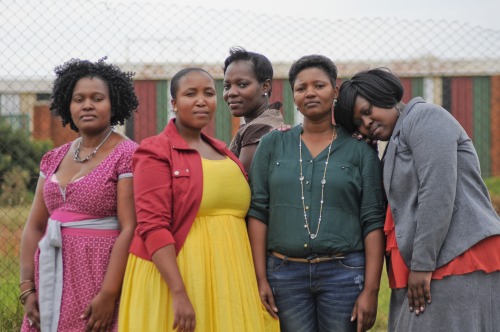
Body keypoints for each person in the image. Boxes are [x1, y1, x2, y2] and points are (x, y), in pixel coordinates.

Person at [334, 68, 500, 331]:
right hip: (429, 262)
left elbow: (437, 191)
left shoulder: (425, 118)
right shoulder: (397, 138)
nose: (366, 123)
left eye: (367, 111)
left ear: (385, 94)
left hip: (456, 259)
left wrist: (423, 265)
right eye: (358, 123)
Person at [118, 67, 280, 332]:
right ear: (173, 103)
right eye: (190, 94)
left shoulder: (223, 151)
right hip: (180, 276)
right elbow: (152, 226)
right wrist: (178, 292)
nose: (201, 100)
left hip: (230, 275)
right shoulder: (155, 150)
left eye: (208, 93)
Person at [247, 55, 386, 332]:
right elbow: (258, 210)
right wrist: (261, 277)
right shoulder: (273, 144)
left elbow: (373, 219)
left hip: (344, 274)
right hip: (284, 274)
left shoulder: (360, 149)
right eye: (301, 88)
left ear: (335, 91)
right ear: (293, 95)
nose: (310, 93)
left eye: (319, 86)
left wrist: (371, 290)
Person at [19, 57, 139, 331]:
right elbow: (35, 226)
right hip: (50, 274)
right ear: (67, 105)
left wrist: (109, 294)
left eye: (97, 98)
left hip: (99, 274)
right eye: (78, 99)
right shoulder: (53, 158)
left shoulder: (128, 154)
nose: (87, 105)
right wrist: (27, 288)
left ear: (113, 103)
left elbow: (129, 227)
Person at [223, 46, 285, 172]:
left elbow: (242, 180)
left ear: (265, 87)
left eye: (242, 84)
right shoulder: (266, 121)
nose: (231, 93)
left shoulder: (260, 127)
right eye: (227, 86)